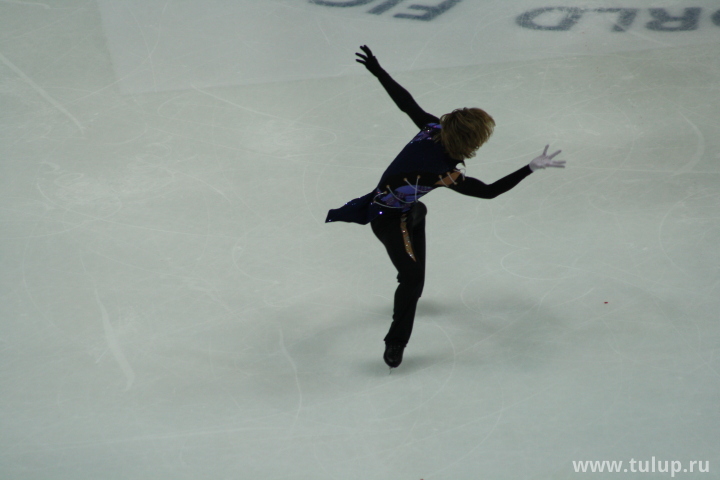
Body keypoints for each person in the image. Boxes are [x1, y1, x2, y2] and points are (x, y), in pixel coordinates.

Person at [326, 46, 565, 369]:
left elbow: (407, 104)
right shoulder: (442, 172)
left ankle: (410, 290)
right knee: (412, 279)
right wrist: (530, 168)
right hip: (386, 218)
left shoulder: (432, 130)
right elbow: (488, 192)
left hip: (411, 213)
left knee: (414, 276)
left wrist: (379, 72)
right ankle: (396, 342)